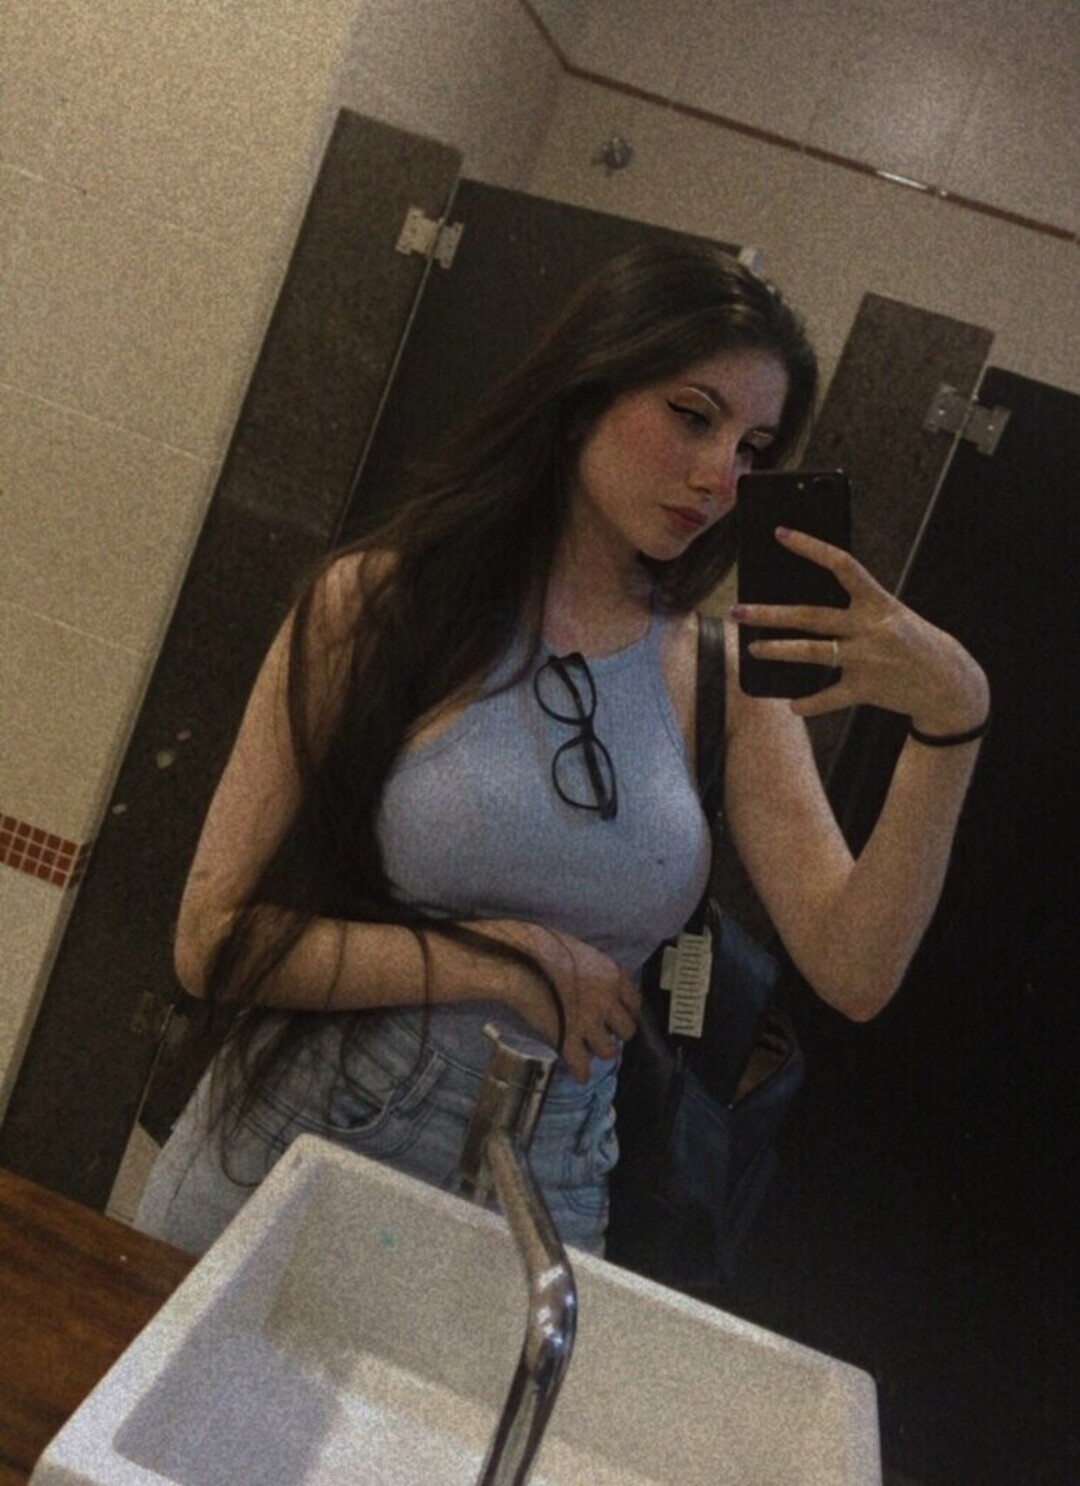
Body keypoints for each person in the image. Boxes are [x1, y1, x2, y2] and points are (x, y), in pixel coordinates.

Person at [135, 242, 989, 1257]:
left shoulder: (721, 680)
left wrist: (953, 719)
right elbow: (211, 941)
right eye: (693, 416)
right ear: (586, 391)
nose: (721, 478)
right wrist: (498, 961)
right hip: (316, 1126)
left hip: (552, 1171)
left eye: (753, 449)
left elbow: (854, 968)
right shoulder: (379, 607)